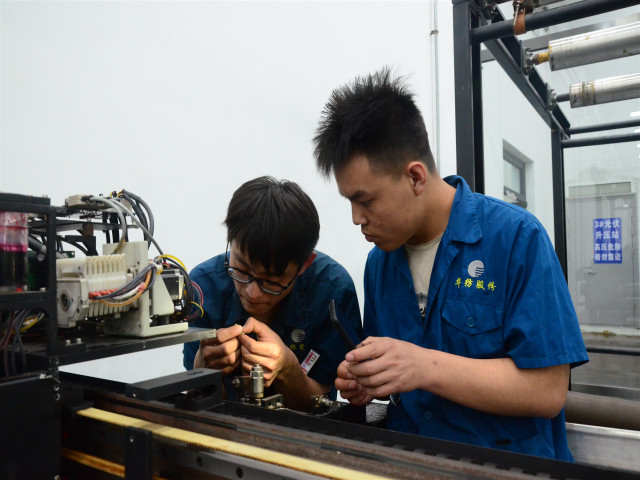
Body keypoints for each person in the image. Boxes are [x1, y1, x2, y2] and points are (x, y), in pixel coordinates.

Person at [312, 68, 588, 460]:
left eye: (366, 200)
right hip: (410, 463)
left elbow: (547, 391)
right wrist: (368, 381)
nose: (357, 218)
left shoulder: (516, 239)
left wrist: (422, 366)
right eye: (350, 203)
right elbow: (396, 381)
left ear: (415, 177)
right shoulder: (380, 265)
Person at [183, 176, 362, 412]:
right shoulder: (202, 289)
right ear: (230, 241)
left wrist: (288, 368)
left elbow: (322, 406)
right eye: (241, 269)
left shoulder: (331, 291)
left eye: (271, 280)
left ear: (304, 265)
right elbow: (205, 410)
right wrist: (203, 373)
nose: (252, 293)